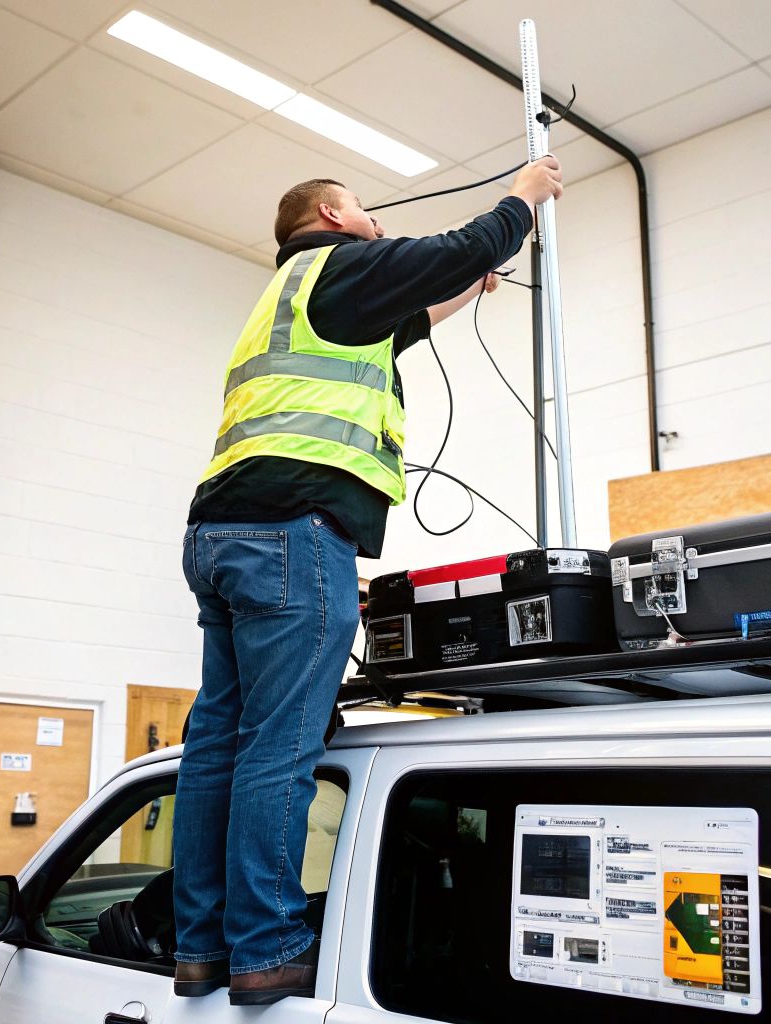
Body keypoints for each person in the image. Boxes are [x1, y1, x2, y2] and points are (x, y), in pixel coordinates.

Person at [171, 156, 566, 1005]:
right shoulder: (341, 265)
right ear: (330, 214)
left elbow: (412, 317)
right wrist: (523, 200)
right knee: (280, 747)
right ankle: (267, 948)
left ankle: (200, 947)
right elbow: (455, 248)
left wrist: (470, 288)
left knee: (216, 749)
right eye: (366, 209)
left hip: (219, 535)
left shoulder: (291, 299)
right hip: (295, 533)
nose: (377, 220)